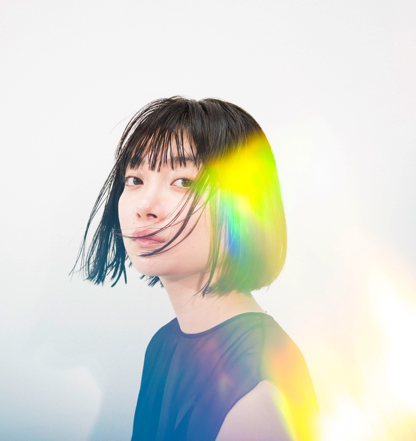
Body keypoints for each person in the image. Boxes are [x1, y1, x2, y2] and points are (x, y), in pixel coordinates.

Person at [74, 97, 320, 440]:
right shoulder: (163, 345)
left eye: (183, 182)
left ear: (243, 204)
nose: (145, 205)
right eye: (135, 179)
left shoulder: (257, 391)